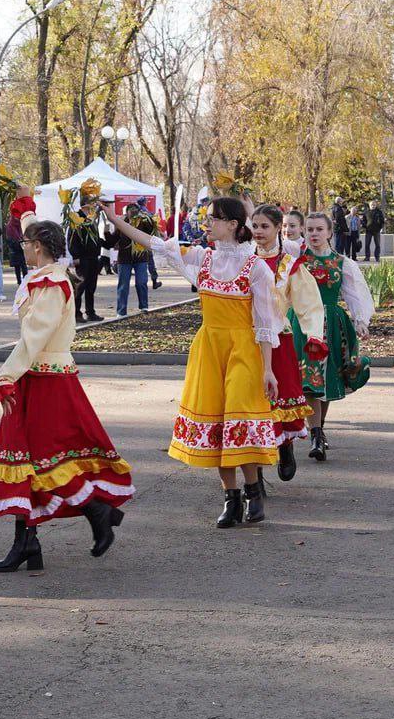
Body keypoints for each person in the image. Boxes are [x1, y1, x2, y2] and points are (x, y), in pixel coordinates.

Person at [106, 195, 279, 527]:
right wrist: (116, 221)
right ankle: (231, 498)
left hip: (244, 350)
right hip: (210, 348)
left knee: (239, 419)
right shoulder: (202, 258)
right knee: (216, 423)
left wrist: (268, 369)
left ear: (232, 225)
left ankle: (253, 490)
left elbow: (265, 322)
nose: (207, 223)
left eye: (213, 218)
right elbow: (155, 243)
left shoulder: (255, 267)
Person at [0, 217, 133, 569]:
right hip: (38, 375)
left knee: (46, 458)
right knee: (27, 460)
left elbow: (36, 334)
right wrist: (25, 209)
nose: (22, 247)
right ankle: (28, 542)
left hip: (47, 378)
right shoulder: (47, 277)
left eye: (25, 242)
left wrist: (6, 374)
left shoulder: (50, 282)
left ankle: (97, 512)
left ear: (37, 247)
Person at [287, 212, 375, 462]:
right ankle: (315, 433)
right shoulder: (297, 257)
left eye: (318, 229)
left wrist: (361, 321)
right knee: (310, 377)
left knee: (326, 379)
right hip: (304, 322)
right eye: (310, 229)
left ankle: (319, 429)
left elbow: (354, 293)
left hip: (333, 323)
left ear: (329, 232)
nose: (314, 234)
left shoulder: (342, 262)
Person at [250, 204, 327, 481]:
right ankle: (254, 473)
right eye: (254, 226)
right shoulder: (243, 260)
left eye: (264, 226)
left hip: (278, 339)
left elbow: (308, 303)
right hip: (246, 340)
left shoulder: (288, 265)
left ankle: (285, 446)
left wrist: (314, 334)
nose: (258, 232)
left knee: (280, 399)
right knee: (251, 403)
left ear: (276, 229)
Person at [106, 203, 154, 316]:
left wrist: (148, 218)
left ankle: (144, 306)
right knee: (123, 285)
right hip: (124, 259)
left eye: (135, 211)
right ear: (126, 212)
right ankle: (121, 311)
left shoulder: (143, 222)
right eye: (130, 211)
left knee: (141, 282)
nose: (133, 213)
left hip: (140, 258)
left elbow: (151, 231)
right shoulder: (122, 224)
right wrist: (106, 231)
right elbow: (112, 240)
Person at [67, 208, 104, 322]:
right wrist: (75, 256)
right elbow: (72, 238)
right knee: (81, 285)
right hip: (83, 257)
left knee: (91, 286)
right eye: (92, 204)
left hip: (93, 256)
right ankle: (76, 313)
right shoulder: (76, 218)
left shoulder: (90, 218)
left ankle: (90, 312)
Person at [4, 189, 30, 289]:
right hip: (17, 246)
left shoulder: (13, 224)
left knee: (20, 265)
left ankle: (22, 280)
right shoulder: (16, 224)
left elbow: (10, 235)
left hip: (16, 247)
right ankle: (22, 280)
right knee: (20, 265)